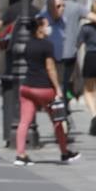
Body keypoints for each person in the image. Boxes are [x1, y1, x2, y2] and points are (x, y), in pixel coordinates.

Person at [13, 16, 80, 165]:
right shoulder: (47, 45)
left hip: (27, 87)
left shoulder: (27, 45)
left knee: (24, 122)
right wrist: (57, 88)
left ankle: (20, 155)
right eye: (46, 25)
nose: (49, 27)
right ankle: (64, 153)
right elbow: (50, 68)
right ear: (40, 28)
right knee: (57, 120)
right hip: (44, 88)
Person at [81, 0, 96, 136]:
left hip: (91, 57)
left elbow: (77, 44)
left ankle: (95, 115)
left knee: (88, 90)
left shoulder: (86, 28)